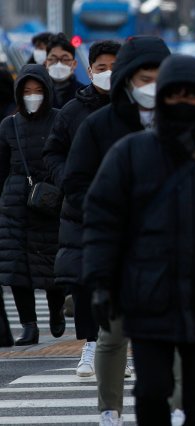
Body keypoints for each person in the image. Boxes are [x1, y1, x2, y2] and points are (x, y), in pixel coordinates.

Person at [83, 53, 195, 426]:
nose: (183, 102)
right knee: (150, 390)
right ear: (161, 97)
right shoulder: (130, 154)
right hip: (147, 292)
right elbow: (103, 222)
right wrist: (99, 282)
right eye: (174, 94)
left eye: (192, 95)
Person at [63, 35, 170, 426]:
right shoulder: (99, 124)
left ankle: (172, 408)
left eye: (160, 76)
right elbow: (74, 181)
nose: (153, 85)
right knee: (113, 333)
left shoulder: (184, 116)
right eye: (144, 77)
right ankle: (110, 411)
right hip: (118, 244)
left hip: (170, 244)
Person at [43, 40, 121, 378]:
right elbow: (52, 153)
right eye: (101, 68)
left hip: (124, 209)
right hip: (81, 209)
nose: (107, 74)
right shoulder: (74, 111)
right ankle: (90, 345)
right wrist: (68, 181)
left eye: (114, 67)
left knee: (121, 279)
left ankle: (117, 348)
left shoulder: (133, 109)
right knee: (84, 279)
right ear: (89, 71)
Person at [0, 64, 62, 346]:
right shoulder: (8, 124)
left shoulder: (60, 120)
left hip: (49, 199)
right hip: (15, 203)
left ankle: (56, 311)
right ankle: (29, 325)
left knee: (52, 262)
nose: (33, 96)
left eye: (38, 90)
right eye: (27, 91)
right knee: (17, 266)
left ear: (47, 92)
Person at [45, 33, 84, 109]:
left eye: (65, 59)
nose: (59, 64)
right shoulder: (39, 92)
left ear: (74, 64)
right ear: (46, 63)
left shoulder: (83, 93)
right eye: (53, 59)